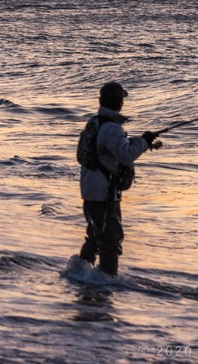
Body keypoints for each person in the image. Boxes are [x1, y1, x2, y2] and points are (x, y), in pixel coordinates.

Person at [77, 81, 160, 276]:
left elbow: (110, 151)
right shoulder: (111, 128)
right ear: (119, 104)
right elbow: (126, 155)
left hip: (90, 189)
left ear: (101, 101)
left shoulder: (94, 123)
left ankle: (78, 274)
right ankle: (105, 284)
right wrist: (144, 141)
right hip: (103, 193)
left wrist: (141, 141)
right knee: (109, 241)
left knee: (95, 237)